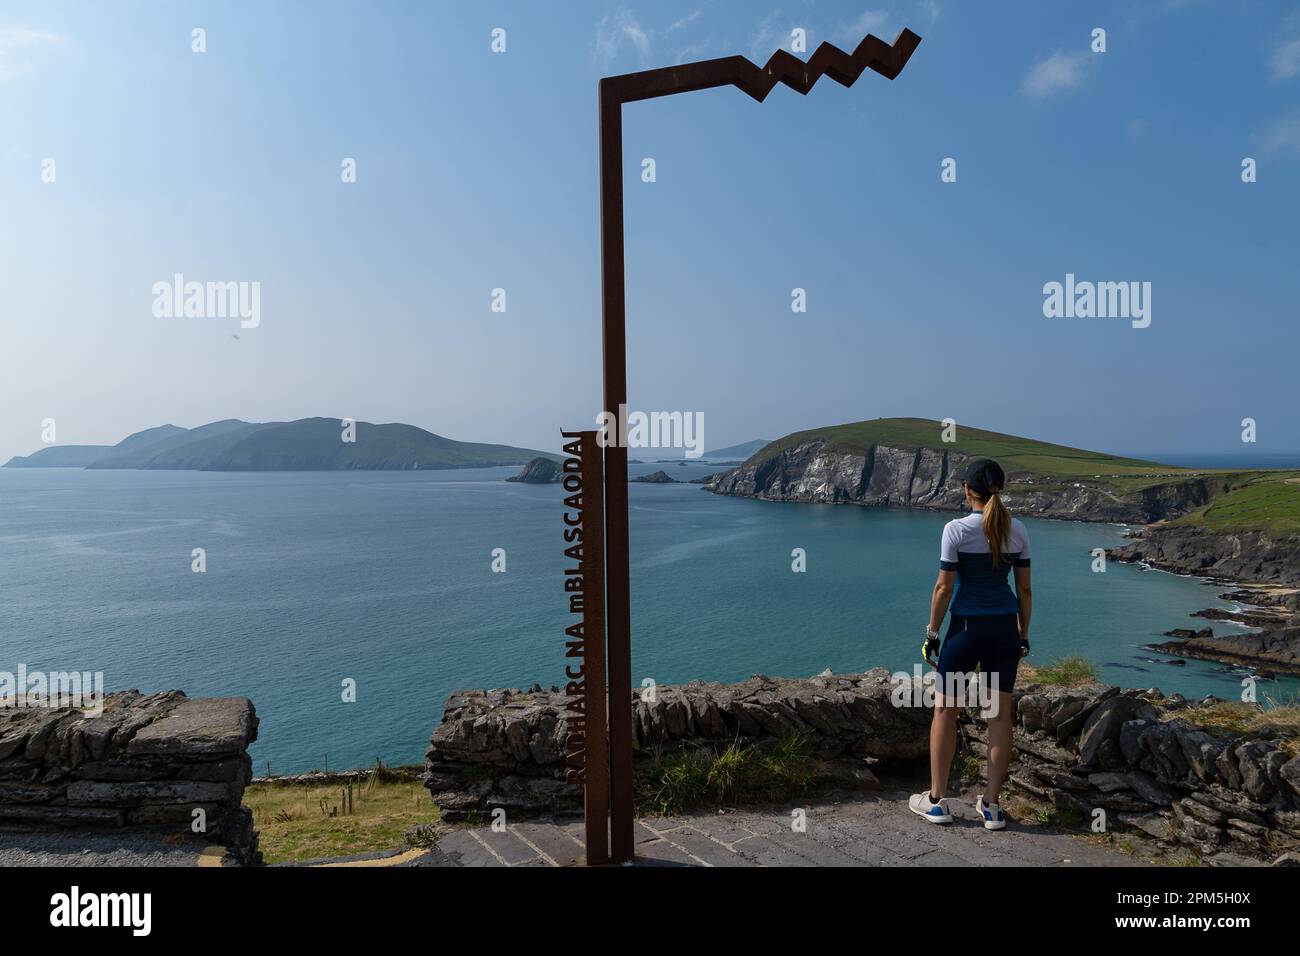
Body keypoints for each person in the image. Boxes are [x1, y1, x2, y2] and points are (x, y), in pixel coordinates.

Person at [908, 458, 1032, 830]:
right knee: (999, 717)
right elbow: (1024, 590)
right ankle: (992, 807)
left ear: (967, 490)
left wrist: (931, 634)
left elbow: (944, 587)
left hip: (965, 631)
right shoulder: (1018, 530)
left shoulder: (956, 530)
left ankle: (936, 802)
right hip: (1004, 632)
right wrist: (1022, 635)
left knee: (946, 712)